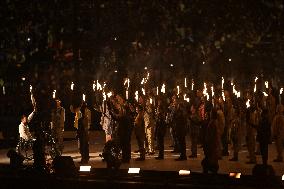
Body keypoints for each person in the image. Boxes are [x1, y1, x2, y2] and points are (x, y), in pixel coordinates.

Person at [202, 109, 219, 174]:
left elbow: (211, 134)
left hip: (211, 144)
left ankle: (212, 169)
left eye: (211, 113)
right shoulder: (214, 122)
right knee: (212, 157)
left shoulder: (212, 123)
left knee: (210, 158)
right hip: (213, 143)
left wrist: (208, 142)